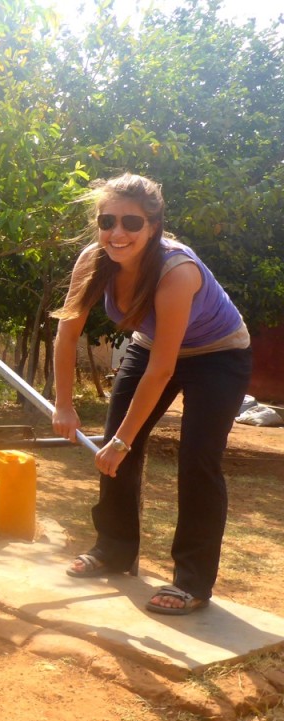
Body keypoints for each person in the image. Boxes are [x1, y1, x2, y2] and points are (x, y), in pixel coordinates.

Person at [52, 173, 252, 616]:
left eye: (131, 222)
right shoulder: (92, 259)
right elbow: (66, 336)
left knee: (197, 459)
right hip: (150, 345)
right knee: (114, 446)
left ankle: (192, 581)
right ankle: (114, 549)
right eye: (107, 220)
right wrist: (63, 405)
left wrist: (124, 439)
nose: (117, 233)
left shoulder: (176, 271)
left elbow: (164, 370)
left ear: (153, 226)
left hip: (218, 354)